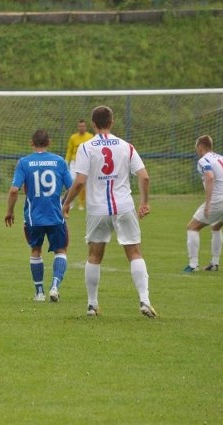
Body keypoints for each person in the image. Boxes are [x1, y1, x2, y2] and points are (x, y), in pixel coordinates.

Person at [62, 105, 157, 318]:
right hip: (123, 207)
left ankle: (92, 304)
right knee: (134, 253)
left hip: (97, 210)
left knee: (94, 256)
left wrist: (66, 203)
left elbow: (79, 182)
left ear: (93, 125)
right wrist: (144, 202)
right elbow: (144, 176)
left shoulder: (86, 147)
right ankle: (144, 300)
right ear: (112, 122)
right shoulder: (127, 147)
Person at [5, 129, 72, 302]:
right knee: (61, 250)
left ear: (31, 143)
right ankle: (55, 286)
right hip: (56, 215)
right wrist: (66, 205)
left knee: (36, 250)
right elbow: (72, 187)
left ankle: (40, 292)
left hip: (33, 217)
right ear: (49, 142)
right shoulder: (59, 162)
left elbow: (14, 190)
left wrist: (10, 211)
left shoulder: (24, 163)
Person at [184, 135, 223, 272]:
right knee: (216, 227)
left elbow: (210, 177)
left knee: (192, 227)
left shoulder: (203, 160)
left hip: (221, 199)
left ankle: (193, 265)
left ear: (200, 147)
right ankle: (214, 263)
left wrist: (208, 204)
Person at [65, 119, 93, 211]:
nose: (81, 128)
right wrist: (66, 161)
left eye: (83, 126)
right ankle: (70, 202)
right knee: (72, 181)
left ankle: (81, 203)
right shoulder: (73, 137)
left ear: (86, 127)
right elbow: (70, 149)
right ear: (78, 127)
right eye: (80, 126)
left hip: (85, 162)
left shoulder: (90, 136)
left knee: (83, 182)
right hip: (74, 162)